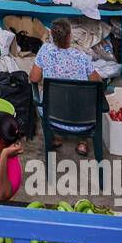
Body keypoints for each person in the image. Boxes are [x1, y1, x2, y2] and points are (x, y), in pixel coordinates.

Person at [29, 17, 102, 156]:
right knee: (82, 98)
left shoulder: (45, 51)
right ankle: (82, 142)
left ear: (52, 36)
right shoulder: (81, 57)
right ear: (69, 36)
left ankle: (57, 137)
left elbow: (34, 78)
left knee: (47, 96)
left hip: (53, 117)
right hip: (84, 119)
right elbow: (97, 82)